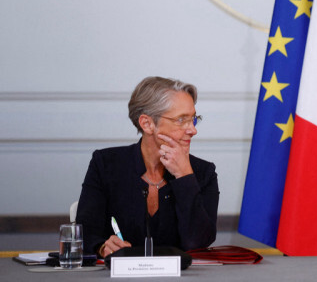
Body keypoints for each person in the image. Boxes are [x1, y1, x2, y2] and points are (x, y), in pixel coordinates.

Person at [76, 76, 219, 258]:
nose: (193, 130)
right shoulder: (105, 164)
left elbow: (197, 243)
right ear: (147, 124)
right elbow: (85, 232)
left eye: (193, 119)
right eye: (181, 120)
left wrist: (184, 176)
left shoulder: (203, 173)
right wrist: (102, 247)